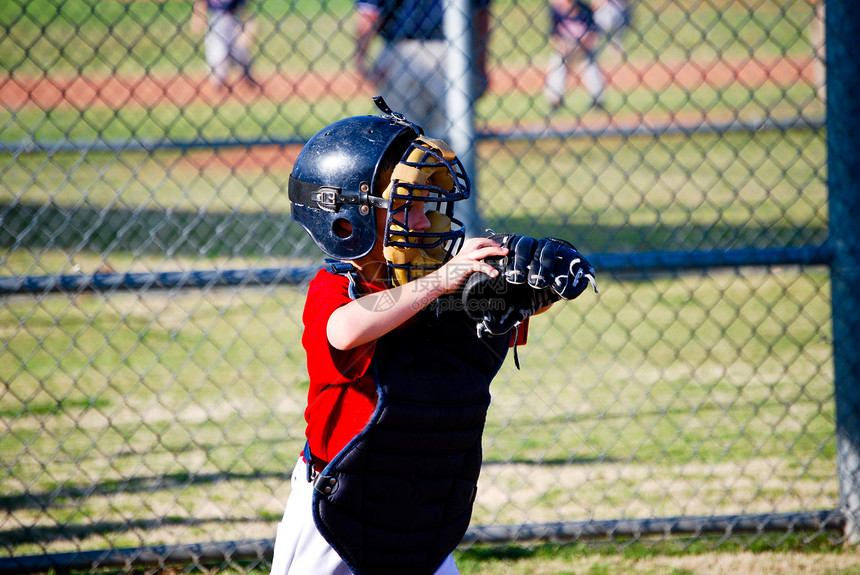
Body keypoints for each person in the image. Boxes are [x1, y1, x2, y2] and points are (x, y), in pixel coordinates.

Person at [268, 98, 596, 575]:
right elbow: (345, 330)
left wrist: (534, 291)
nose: (424, 222)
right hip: (336, 508)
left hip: (419, 511)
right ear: (347, 219)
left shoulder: (434, 281)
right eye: (406, 208)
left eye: (427, 207)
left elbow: (494, 317)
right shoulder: (338, 290)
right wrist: (441, 281)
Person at [354, 0, 491, 137]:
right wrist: (479, 67)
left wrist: (360, 61)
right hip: (452, 55)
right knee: (451, 141)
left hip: (399, 56)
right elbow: (480, 13)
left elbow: (370, 13)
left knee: (400, 139)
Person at [543, 0, 605, 111]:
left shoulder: (585, 10)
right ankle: (554, 100)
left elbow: (593, 34)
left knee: (590, 67)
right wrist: (564, 48)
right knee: (557, 65)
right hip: (564, 49)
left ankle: (598, 99)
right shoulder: (557, 11)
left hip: (583, 49)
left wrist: (583, 47)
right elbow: (553, 37)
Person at [192, 0, 257, 89]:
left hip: (233, 23)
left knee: (240, 53)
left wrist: (247, 29)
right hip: (215, 25)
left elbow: (245, 12)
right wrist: (197, 18)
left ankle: (246, 77)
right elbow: (200, 5)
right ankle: (218, 82)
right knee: (218, 55)